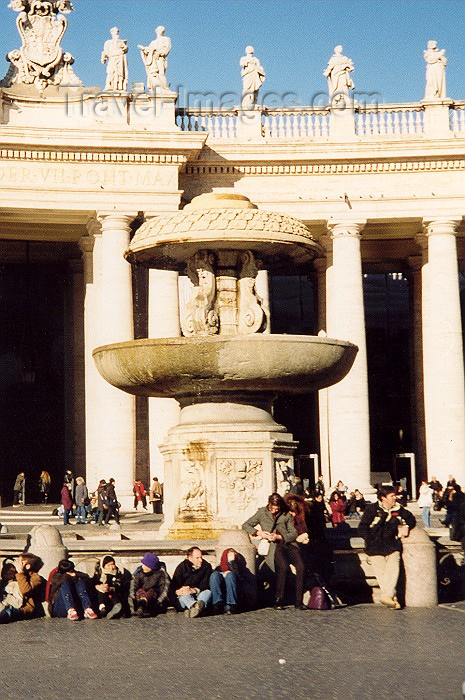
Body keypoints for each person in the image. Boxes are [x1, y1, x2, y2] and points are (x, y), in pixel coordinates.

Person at [358, 484, 416, 609]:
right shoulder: (372, 509)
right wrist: (370, 540)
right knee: (383, 574)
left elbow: (411, 518)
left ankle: (387, 596)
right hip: (375, 548)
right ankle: (391, 598)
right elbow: (362, 528)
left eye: (395, 495)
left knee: (393, 570)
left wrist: (406, 526)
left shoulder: (398, 509)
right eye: (392, 496)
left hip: (392, 546)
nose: (395, 498)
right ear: (383, 498)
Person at [242, 493, 302, 609]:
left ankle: (296, 601)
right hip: (272, 547)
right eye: (272, 508)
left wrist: (279, 537)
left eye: (276, 508)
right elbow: (246, 525)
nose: (274, 511)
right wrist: (259, 533)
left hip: (285, 544)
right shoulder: (262, 513)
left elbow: (293, 533)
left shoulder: (285, 514)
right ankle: (278, 599)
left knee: (298, 566)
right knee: (282, 567)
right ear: (269, 504)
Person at [209, 548, 255, 615]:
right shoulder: (219, 569)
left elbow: (241, 579)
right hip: (223, 596)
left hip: (236, 597)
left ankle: (232, 605)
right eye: (228, 557)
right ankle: (217, 604)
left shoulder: (241, 569)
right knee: (214, 574)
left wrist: (232, 563)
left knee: (230, 575)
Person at [170, 546, 212, 618]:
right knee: (184, 596)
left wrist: (194, 590)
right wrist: (178, 591)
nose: (201, 560)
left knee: (208, 592)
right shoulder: (181, 567)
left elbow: (206, 584)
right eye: (197, 558)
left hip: (198, 594)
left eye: (201, 557)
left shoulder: (206, 566)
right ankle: (195, 606)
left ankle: (192, 609)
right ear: (190, 558)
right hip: (185, 597)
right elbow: (173, 586)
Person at [0, 554, 43, 624]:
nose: (17, 563)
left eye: (20, 562)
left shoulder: (35, 578)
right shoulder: (13, 573)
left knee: (8, 612)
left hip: (22, 608)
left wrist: (20, 572)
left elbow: (25, 590)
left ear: (28, 566)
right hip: (6, 603)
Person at [130, 552, 170, 617]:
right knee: (141, 591)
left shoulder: (161, 573)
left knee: (150, 592)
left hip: (155, 598)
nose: (143, 566)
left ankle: (144, 608)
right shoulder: (139, 572)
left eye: (145, 565)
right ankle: (140, 607)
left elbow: (164, 589)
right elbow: (133, 585)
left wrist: (159, 601)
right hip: (139, 596)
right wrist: (133, 597)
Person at [138, 26, 171, 91]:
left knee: (161, 73)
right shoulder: (153, 42)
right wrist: (144, 50)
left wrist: (159, 53)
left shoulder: (166, 39)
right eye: (159, 30)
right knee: (153, 74)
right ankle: (156, 87)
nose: (160, 31)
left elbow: (167, 48)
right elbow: (148, 51)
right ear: (156, 31)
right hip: (153, 60)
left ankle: (163, 87)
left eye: (162, 30)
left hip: (160, 58)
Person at [101, 26, 128, 92]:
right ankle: (110, 86)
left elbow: (125, 49)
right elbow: (106, 52)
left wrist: (124, 48)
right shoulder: (108, 42)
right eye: (114, 31)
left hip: (120, 59)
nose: (116, 33)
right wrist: (103, 57)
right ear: (111, 32)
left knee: (120, 73)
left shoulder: (121, 42)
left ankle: (119, 86)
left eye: (117, 31)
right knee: (111, 72)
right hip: (112, 58)